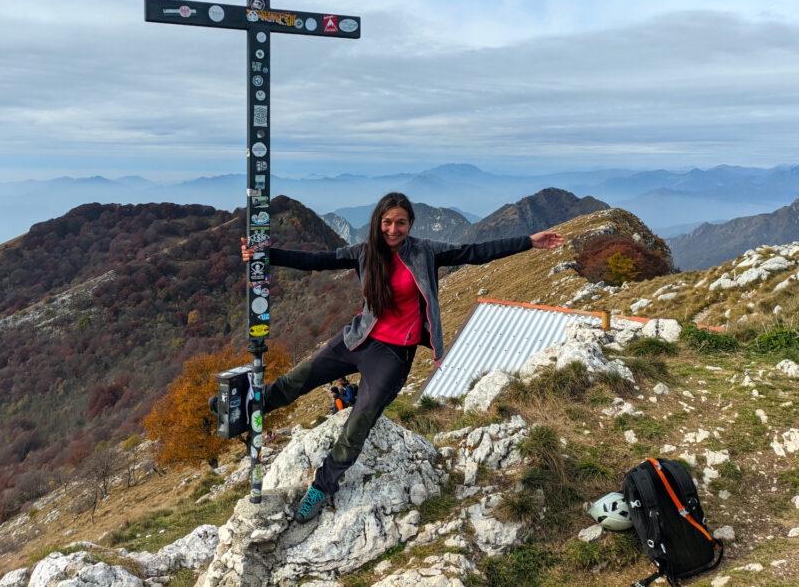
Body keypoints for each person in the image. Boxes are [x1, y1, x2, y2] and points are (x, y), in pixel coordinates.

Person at [240, 191, 564, 523]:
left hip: (393, 355)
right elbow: (318, 260)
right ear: (378, 223)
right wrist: (266, 255)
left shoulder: (425, 252)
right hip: (358, 338)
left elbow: (476, 252)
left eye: (400, 223)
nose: (393, 230)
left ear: (410, 225)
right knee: (297, 380)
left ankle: (322, 487)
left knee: (359, 422)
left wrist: (528, 241)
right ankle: (246, 408)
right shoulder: (365, 253)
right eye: (387, 222)